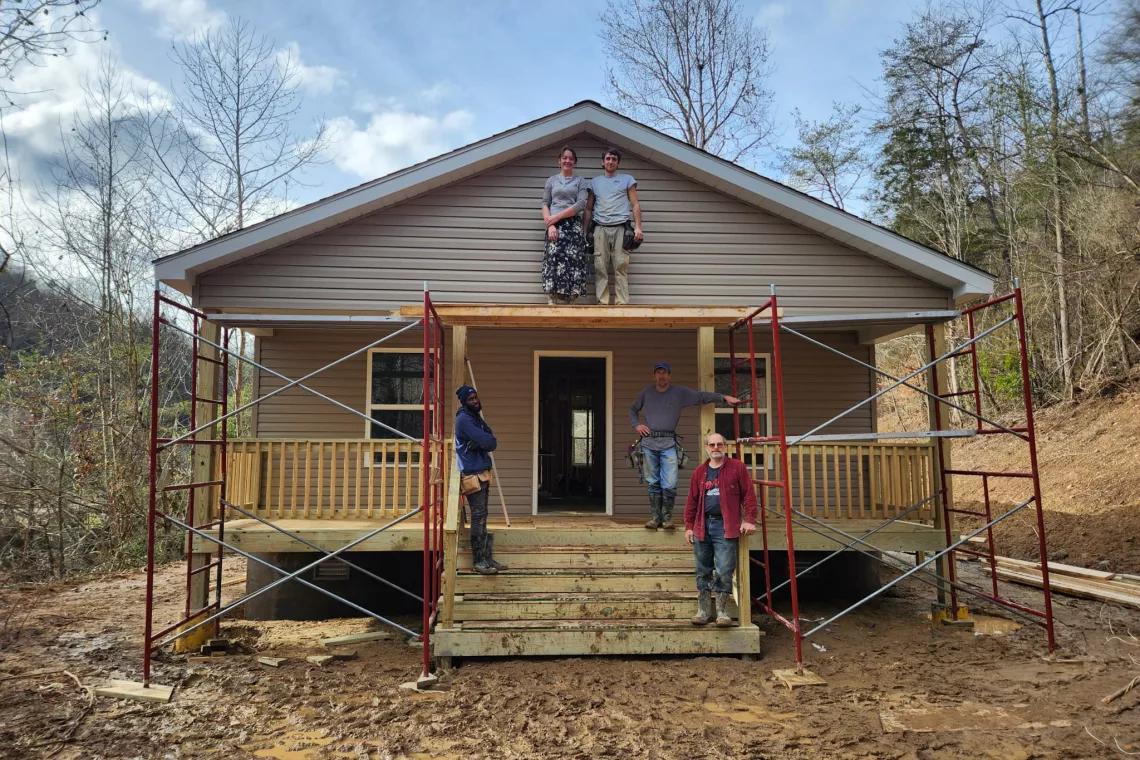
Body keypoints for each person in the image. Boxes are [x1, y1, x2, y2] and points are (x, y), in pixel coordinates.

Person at [629, 362, 742, 530]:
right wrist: (637, 425)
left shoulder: (679, 393)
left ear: (669, 376)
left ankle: (667, 519)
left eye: (664, 373)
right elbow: (633, 409)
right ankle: (655, 519)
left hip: (668, 443)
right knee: (652, 481)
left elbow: (701, 396)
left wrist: (724, 397)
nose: (661, 376)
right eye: (658, 373)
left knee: (670, 482)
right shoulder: (646, 392)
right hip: (649, 443)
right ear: (654, 376)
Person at [684, 433, 758, 627]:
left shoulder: (737, 468)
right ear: (707, 448)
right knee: (703, 570)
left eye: (719, 444)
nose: (715, 447)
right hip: (702, 525)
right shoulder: (699, 472)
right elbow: (691, 502)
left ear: (725, 447)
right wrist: (689, 526)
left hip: (725, 526)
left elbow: (748, 495)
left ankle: (722, 612)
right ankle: (703, 611)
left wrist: (750, 519)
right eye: (712, 445)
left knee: (725, 569)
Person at [454, 385, 507, 575]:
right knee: (478, 515)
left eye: (476, 397)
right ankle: (479, 562)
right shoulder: (464, 420)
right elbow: (488, 442)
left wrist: (482, 442)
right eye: (470, 399)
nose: (475, 401)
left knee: (482, 515)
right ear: (464, 402)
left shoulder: (476, 418)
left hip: (482, 472)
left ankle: (487, 557)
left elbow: (492, 441)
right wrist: (482, 442)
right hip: (472, 474)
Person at [584, 146, 642, 305]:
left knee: (620, 266)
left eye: (614, 159)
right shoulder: (595, 183)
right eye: (608, 159)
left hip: (621, 228)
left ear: (618, 163)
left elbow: (635, 204)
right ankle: (602, 302)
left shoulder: (627, 179)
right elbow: (588, 209)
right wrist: (585, 231)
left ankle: (621, 303)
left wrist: (638, 227)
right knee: (600, 266)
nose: (610, 161)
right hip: (600, 228)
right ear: (602, 162)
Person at [541, 146, 590, 304]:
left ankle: (570, 297)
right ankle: (552, 296)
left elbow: (581, 204)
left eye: (571, 158)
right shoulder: (551, 180)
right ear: (559, 160)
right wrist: (550, 225)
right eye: (565, 158)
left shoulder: (580, 181)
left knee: (572, 259)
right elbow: (545, 203)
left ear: (574, 162)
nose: (567, 161)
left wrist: (557, 217)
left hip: (572, 225)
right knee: (553, 257)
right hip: (554, 225)